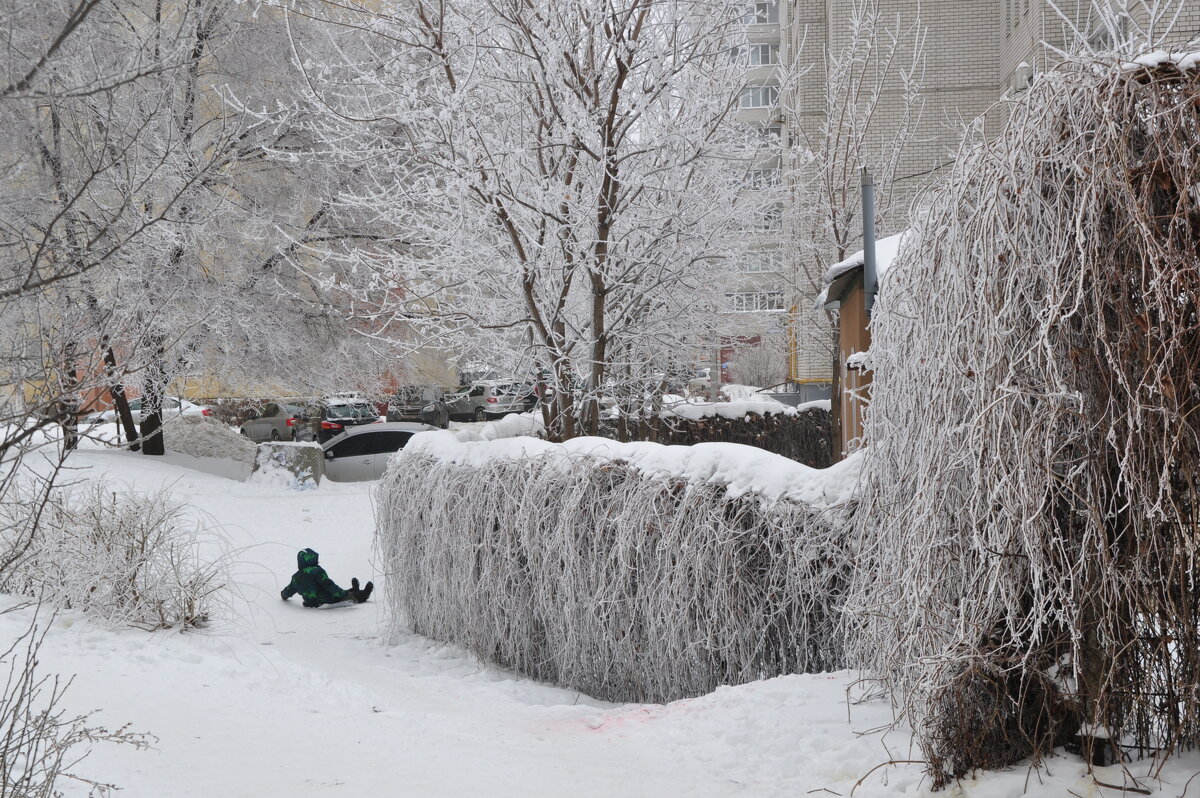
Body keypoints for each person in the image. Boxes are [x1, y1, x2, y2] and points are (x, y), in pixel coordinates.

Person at [281, 548, 372, 607]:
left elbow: (287, 591)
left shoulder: (296, 578)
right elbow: (329, 586)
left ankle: (354, 589)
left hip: (310, 602)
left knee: (338, 593)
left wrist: (283, 595)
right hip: (326, 600)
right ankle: (364, 594)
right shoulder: (317, 571)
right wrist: (345, 595)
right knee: (341, 595)